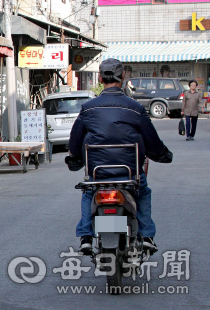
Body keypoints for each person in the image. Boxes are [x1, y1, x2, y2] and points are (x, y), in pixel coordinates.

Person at [67, 58, 172, 255]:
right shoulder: (135, 108)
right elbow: (152, 141)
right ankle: (147, 235)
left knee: (88, 193)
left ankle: (86, 236)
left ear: (100, 78)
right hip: (129, 175)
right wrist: (162, 155)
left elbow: (75, 143)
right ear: (123, 77)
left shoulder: (88, 108)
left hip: (98, 176)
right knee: (143, 192)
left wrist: (75, 159)